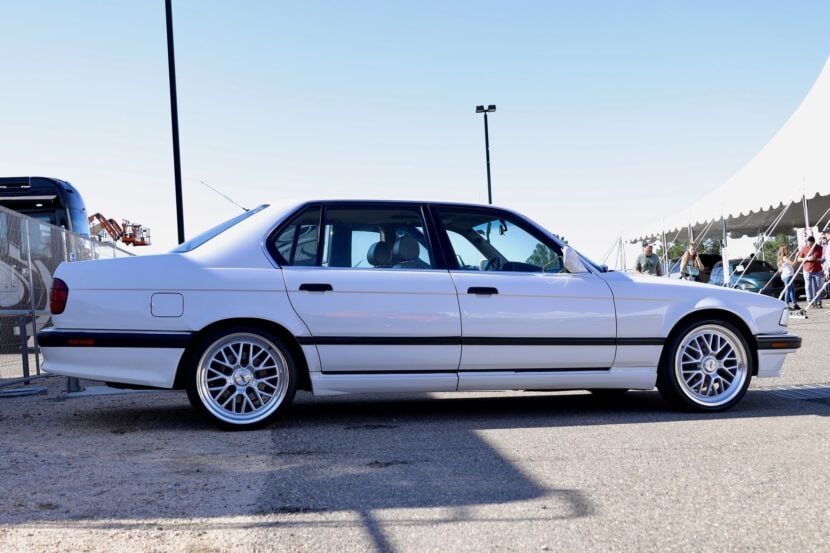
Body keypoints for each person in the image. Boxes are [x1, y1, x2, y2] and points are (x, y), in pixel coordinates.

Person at [798, 235, 823, 308]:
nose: (809, 245)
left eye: (811, 244)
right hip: (807, 270)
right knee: (808, 286)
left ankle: (818, 302)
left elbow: (823, 257)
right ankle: (810, 302)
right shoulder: (804, 248)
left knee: (818, 286)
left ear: (814, 243)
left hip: (817, 270)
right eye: (808, 244)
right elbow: (799, 259)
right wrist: (807, 258)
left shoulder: (819, 248)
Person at [777, 245, 799, 310]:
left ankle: (795, 304)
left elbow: (780, 270)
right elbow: (793, 264)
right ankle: (786, 305)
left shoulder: (781, 258)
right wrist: (796, 256)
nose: (788, 251)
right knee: (788, 290)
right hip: (787, 276)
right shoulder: (784, 258)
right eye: (787, 250)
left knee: (792, 290)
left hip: (786, 276)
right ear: (784, 251)